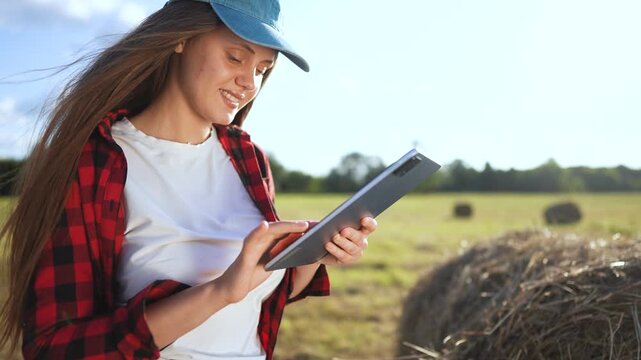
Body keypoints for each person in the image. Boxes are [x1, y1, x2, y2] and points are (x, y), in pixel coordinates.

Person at [0, 0, 377, 358]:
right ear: (181, 37)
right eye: (235, 57)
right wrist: (218, 292)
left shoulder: (248, 158)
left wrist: (312, 253)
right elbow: (55, 347)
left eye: (262, 69)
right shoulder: (97, 162)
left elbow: (251, 301)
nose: (249, 83)